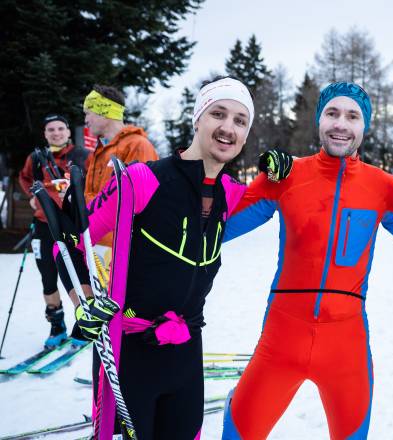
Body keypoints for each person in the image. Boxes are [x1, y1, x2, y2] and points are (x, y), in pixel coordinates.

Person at [221, 82, 393, 440]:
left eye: (352, 116)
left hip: (346, 350)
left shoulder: (382, 187)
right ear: (319, 119)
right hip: (280, 342)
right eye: (332, 113)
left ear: (364, 126)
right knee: (238, 432)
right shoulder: (286, 175)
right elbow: (215, 230)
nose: (341, 124)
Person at [56, 77, 251, 439]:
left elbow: (293, 194)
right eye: (218, 114)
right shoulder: (143, 179)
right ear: (197, 119)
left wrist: (281, 170)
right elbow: (69, 243)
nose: (228, 127)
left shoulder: (233, 193)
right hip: (129, 352)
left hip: (187, 354)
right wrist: (84, 301)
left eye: (240, 121)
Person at [18, 114, 91, 347]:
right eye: (51, 129)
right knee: (48, 277)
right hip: (43, 224)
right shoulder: (36, 158)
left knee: (76, 275)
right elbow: (25, 178)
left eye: (60, 128)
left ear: (68, 132)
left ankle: (84, 323)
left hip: (71, 223)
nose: (56, 133)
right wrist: (32, 198)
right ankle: (57, 325)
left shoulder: (82, 155)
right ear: (45, 134)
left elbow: (93, 184)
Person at [81, 85, 158, 258]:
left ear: (103, 112)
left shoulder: (137, 145)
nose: (86, 119)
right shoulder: (101, 150)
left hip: (120, 248)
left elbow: (139, 203)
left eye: (88, 113)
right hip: (94, 240)